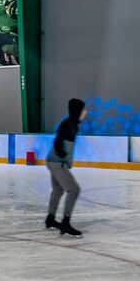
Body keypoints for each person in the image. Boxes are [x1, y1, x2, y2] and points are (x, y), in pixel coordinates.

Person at [45, 99, 86, 237]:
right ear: (77, 110)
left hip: (54, 161)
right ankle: (65, 223)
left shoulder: (73, 124)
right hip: (57, 162)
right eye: (83, 109)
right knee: (74, 190)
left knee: (58, 190)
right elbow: (58, 140)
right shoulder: (68, 124)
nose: (86, 112)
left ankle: (50, 219)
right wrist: (62, 154)